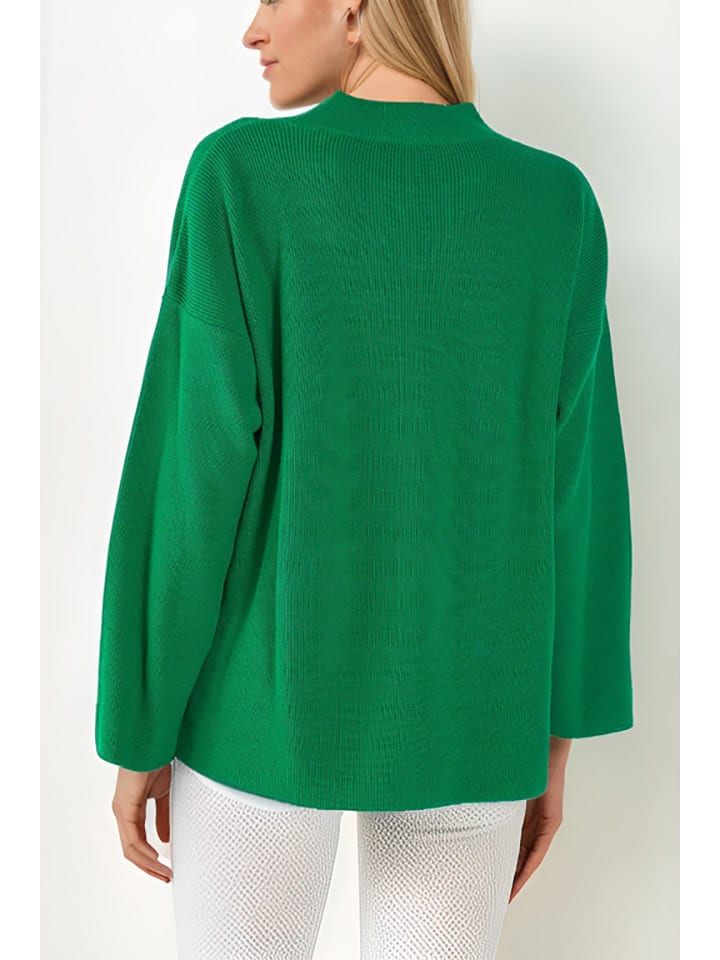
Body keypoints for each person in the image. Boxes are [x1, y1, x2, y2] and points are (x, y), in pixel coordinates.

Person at [94, 1, 634, 957]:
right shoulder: (558, 204)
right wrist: (555, 736)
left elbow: (190, 482)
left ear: (354, 4)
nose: (253, 30)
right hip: (476, 722)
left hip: (259, 716)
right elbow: (577, 494)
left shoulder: (240, 177)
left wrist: (139, 725)